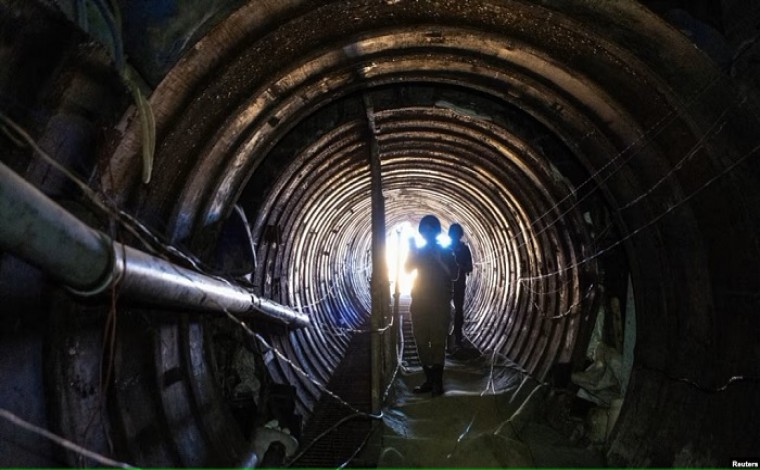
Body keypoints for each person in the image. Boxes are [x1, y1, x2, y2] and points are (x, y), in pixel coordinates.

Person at [405, 215, 457, 396]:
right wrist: (411, 250)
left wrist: (440, 259)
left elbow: (455, 275)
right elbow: (407, 269)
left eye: (429, 229)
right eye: (424, 229)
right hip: (420, 302)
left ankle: (437, 383)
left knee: (437, 342)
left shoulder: (446, 251)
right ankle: (429, 380)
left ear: (435, 231)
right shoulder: (418, 251)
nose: (426, 232)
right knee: (421, 342)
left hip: (439, 303)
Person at [448, 223, 473, 348]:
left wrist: (459, 266)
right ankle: (447, 338)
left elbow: (470, 267)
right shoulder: (445, 248)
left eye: (456, 233)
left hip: (458, 284)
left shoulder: (464, 249)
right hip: (446, 285)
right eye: (453, 233)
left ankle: (457, 338)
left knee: (458, 311)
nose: (454, 236)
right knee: (446, 311)